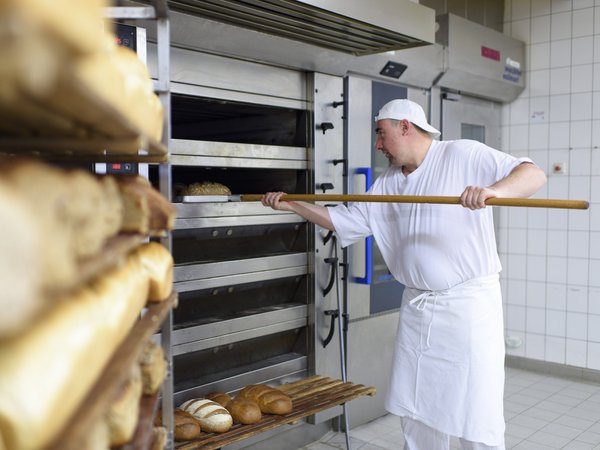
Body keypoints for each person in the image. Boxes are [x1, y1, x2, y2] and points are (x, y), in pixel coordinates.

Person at [261, 99, 547, 450]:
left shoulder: (462, 154)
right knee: (417, 409)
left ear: (405, 126)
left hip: (468, 308)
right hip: (417, 307)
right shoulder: (386, 184)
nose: (378, 145)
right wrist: (292, 204)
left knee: (476, 411)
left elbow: (533, 174)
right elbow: (343, 221)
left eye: (381, 134)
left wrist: (493, 192)